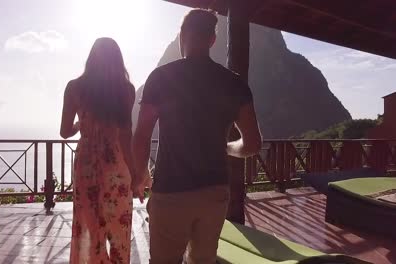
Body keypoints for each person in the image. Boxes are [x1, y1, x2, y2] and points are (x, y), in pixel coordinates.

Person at [132, 9, 262, 264]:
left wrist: (142, 173)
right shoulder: (234, 84)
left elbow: (142, 133)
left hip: (170, 192)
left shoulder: (161, 78)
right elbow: (253, 144)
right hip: (214, 193)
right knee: (204, 260)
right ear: (212, 39)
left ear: (182, 35)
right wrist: (227, 148)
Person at [60, 37, 136, 264]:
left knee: (89, 227)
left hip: (87, 165)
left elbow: (64, 131)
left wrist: (80, 124)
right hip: (117, 166)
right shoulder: (126, 90)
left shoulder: (74, 88)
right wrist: (137, 174)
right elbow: (125, 135)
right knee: (118, 229)